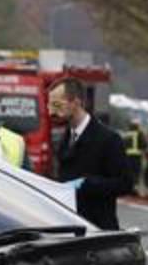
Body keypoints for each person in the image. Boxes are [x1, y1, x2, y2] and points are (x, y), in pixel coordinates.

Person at [48, 79, 133, 229]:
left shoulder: (108, 139)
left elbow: (125, 183)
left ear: (75, 103)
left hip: (97, 231)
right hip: (69, 227)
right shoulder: (65, 138)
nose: (52, 111)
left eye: (57, 105)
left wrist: (88, 184)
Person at [123, 120, 148, 193]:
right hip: (136, 157)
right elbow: (144, 145)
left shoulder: (127, 134)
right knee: (136, 173)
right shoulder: (139, 134)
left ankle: (127, 188)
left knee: (128, 173)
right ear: (137, 126)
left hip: (127, 157)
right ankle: (134, 189)